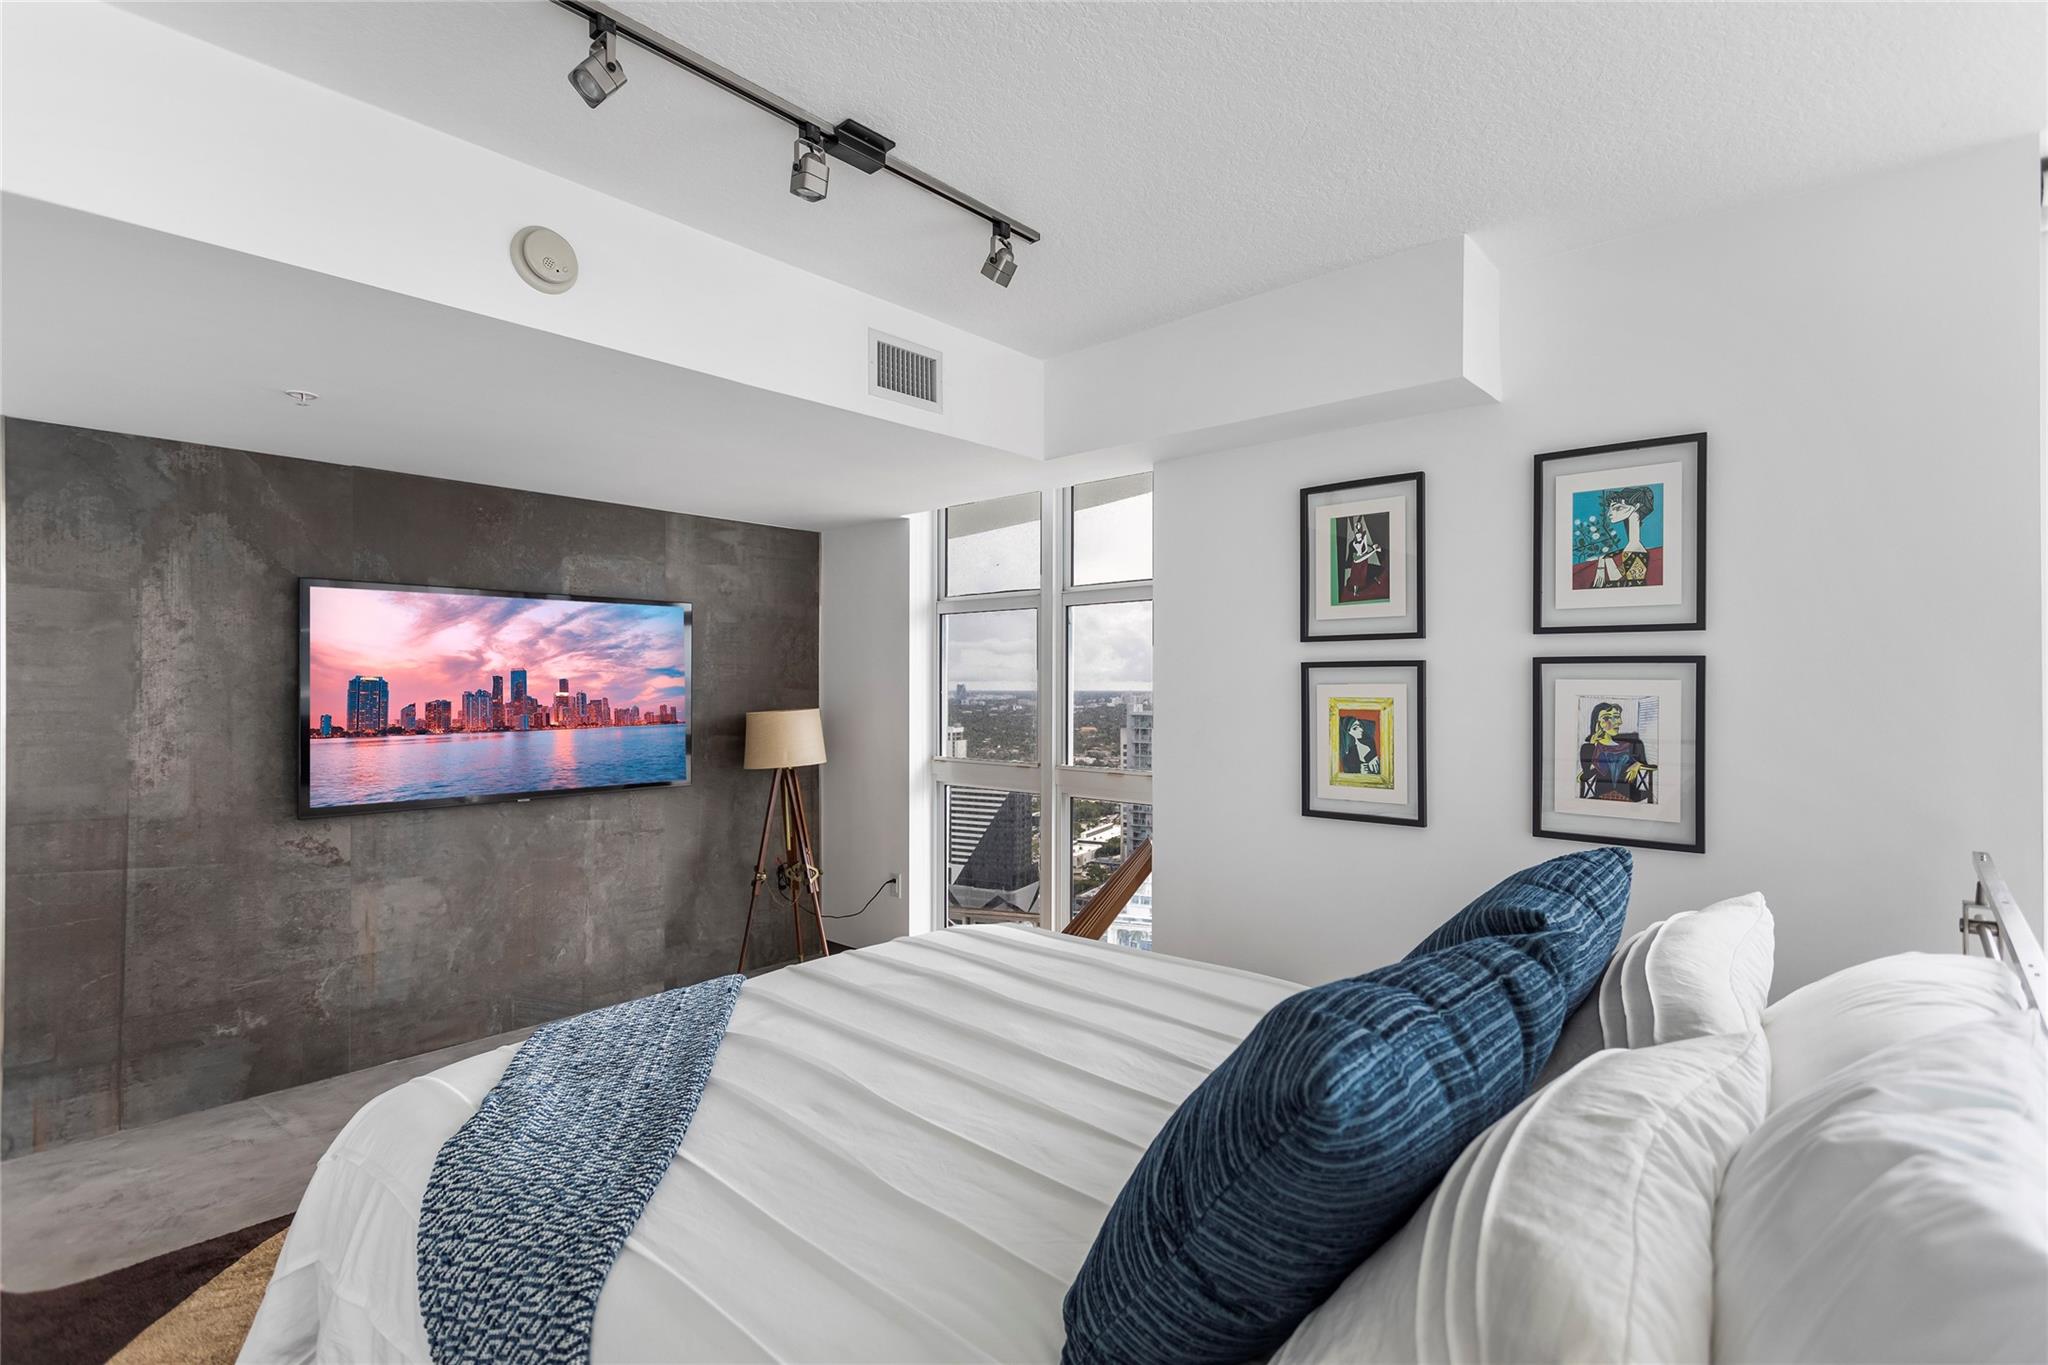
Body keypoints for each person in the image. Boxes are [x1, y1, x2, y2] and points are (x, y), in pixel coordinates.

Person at [1578, 701, 1654, 802]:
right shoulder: (1588, 748)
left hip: (1628, 794)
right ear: (1597, 723)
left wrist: (1637, 764)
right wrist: (1594, 746)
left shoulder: (1632, 745)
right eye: (1606, 718)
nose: (1617, 722)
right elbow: (1586, 776)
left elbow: (1646, 764)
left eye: (1617, 717)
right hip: (1602, 795)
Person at [1589, 485, 1655, 589]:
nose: (1609, 513)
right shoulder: (1632, 545)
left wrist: (1602, 562)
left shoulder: (1635, 547)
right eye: (1610, 508)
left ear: (1636, 506)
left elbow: (1615, 577)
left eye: (1618, 508)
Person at [1340, 515, 1385, 601]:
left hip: (1363, 560)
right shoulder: (1354, 544)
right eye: (1358, 536)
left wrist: (1372, 547)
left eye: (1360, 536)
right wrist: (1374, 550)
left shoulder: (1361, 538)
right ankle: (1355, 591)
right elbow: (1364, 554)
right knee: (1356, 577)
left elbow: (1365, 545)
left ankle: (1367, 582)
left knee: (1364, 573)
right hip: (1359, 560)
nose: (1359, 537)